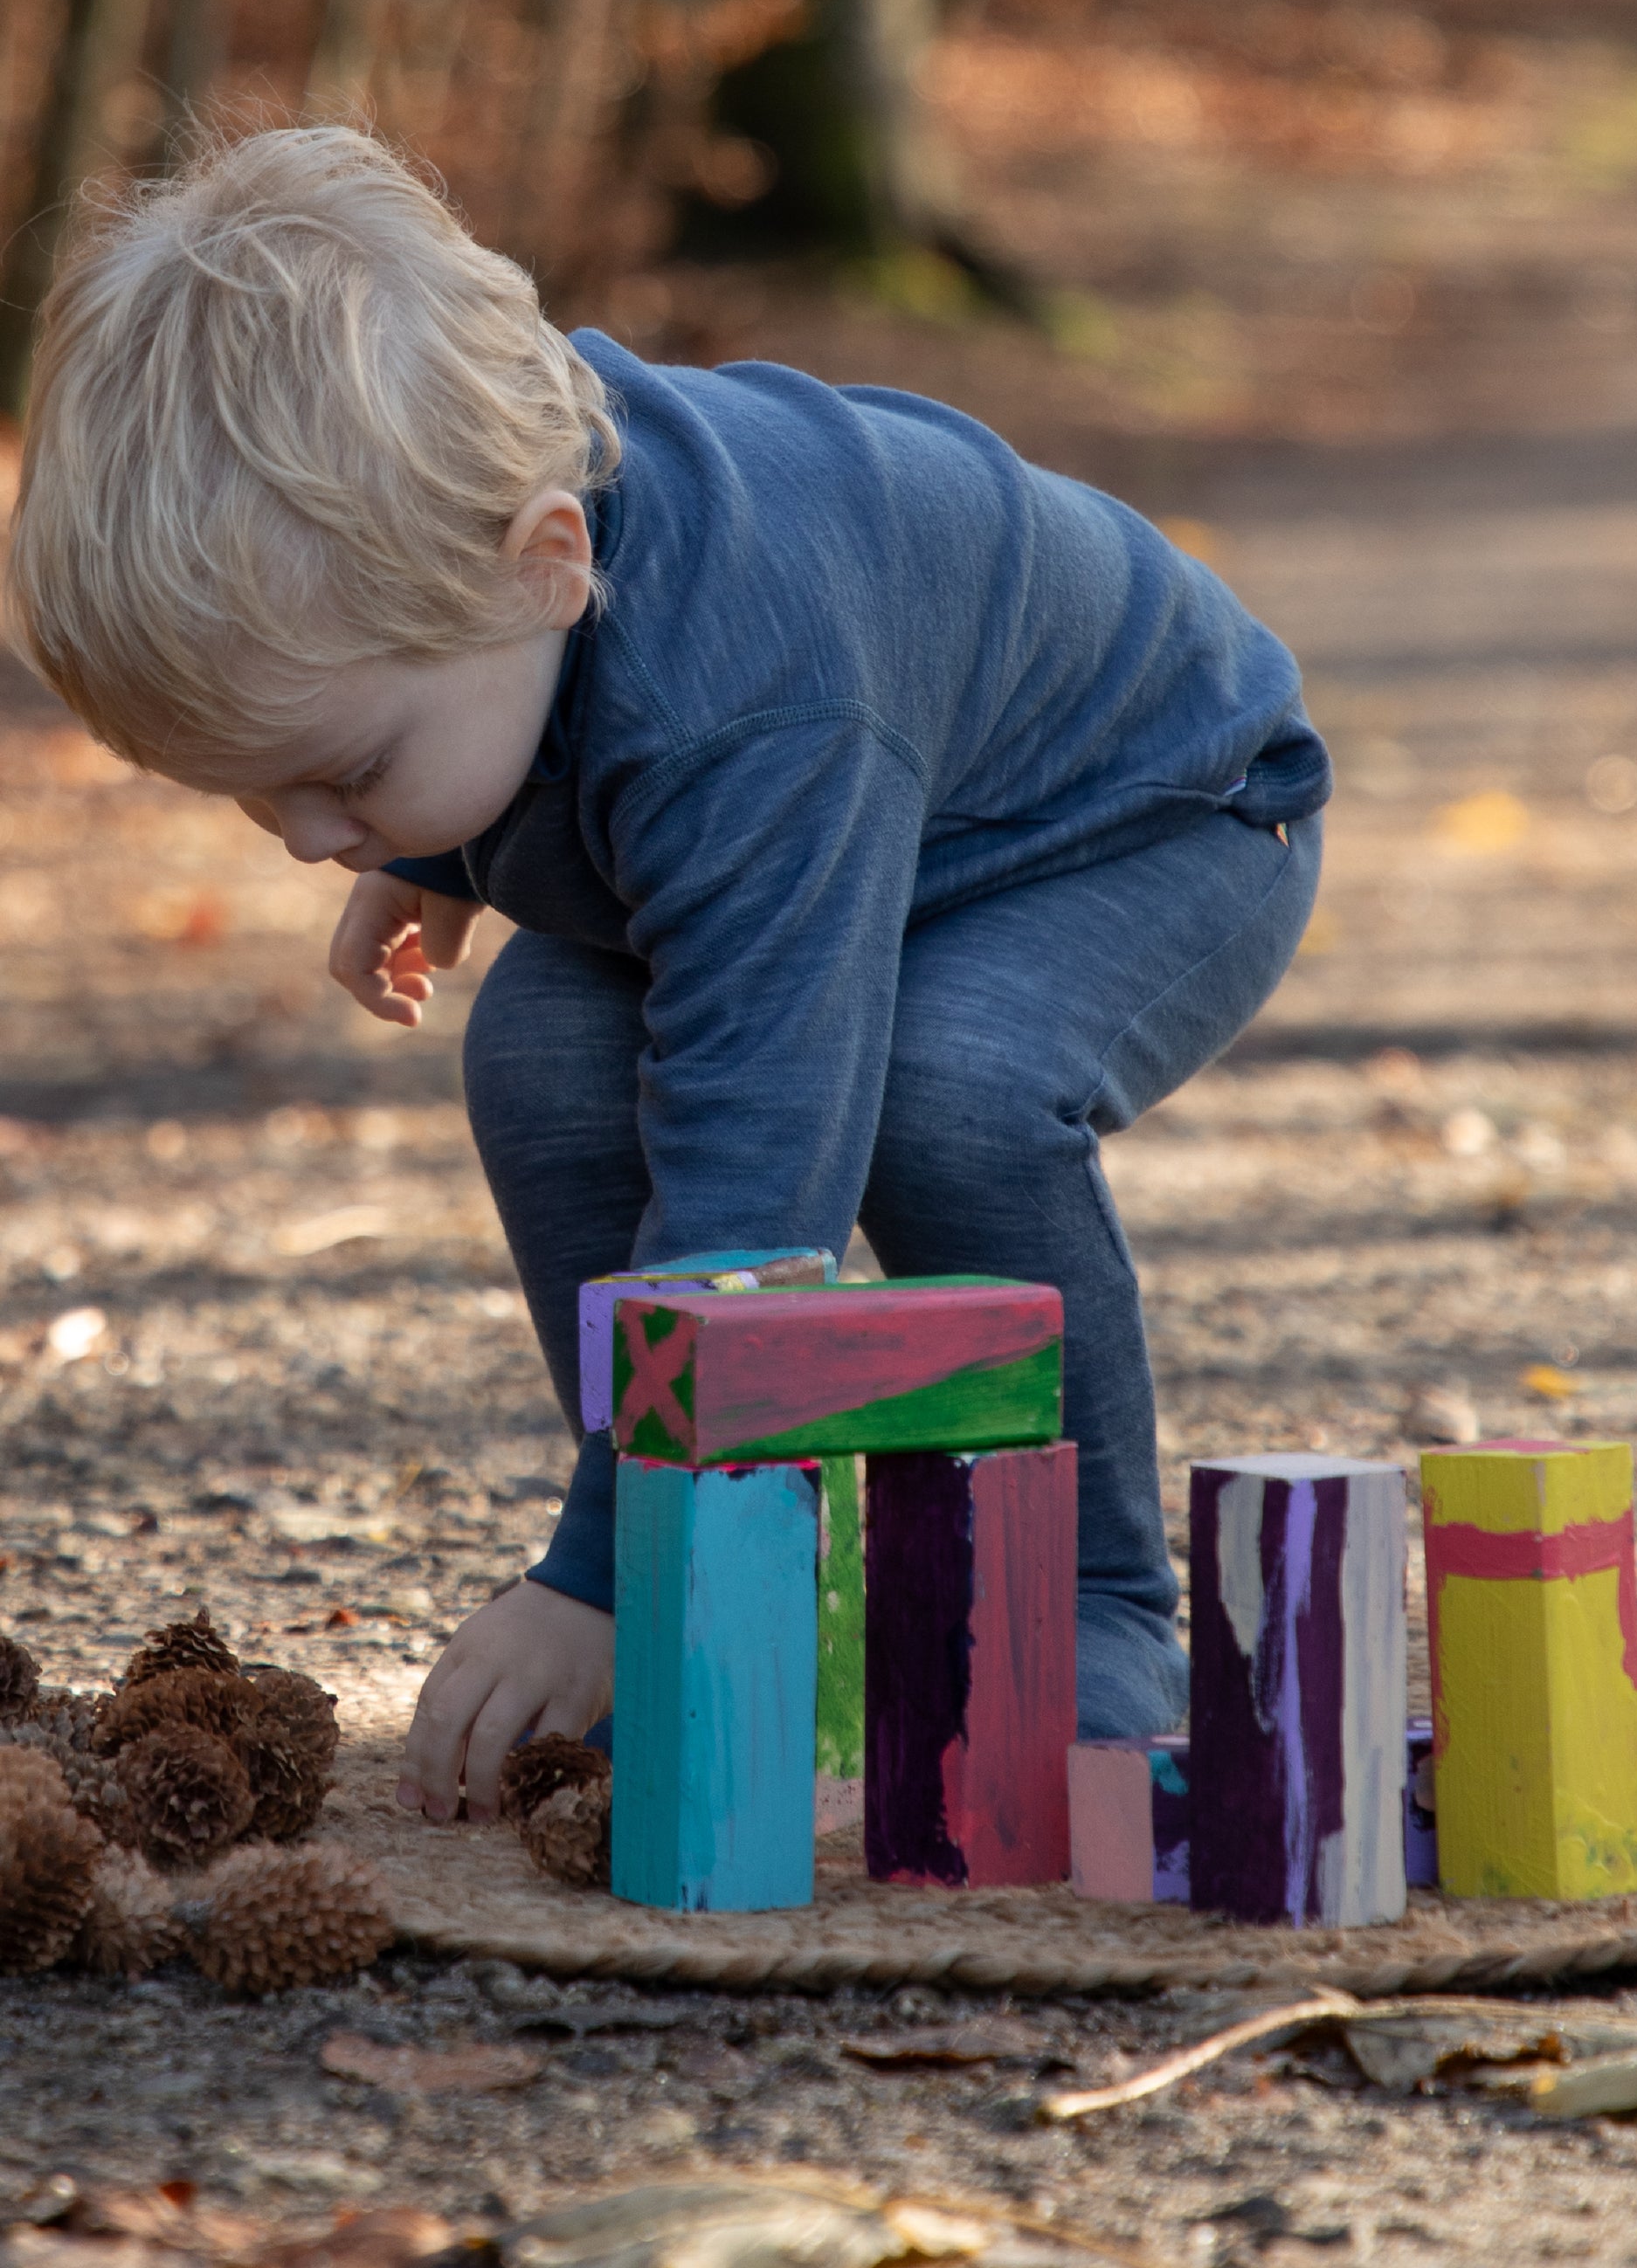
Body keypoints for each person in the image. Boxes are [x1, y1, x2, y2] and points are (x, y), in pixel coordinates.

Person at [3, 126, 1330, 1823]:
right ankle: (717, 1578)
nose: (306, 841)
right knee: (543, 1050)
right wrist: (427, 843)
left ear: (547, 561)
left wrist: (594, 1564)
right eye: (263, 795)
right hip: (885, 813)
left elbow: (751, 1185)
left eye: (346, 773)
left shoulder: (743, 701)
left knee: (943, 1093)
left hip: (1149, 808)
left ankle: (1094, 1600)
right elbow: (510, 718)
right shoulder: (478, 544)